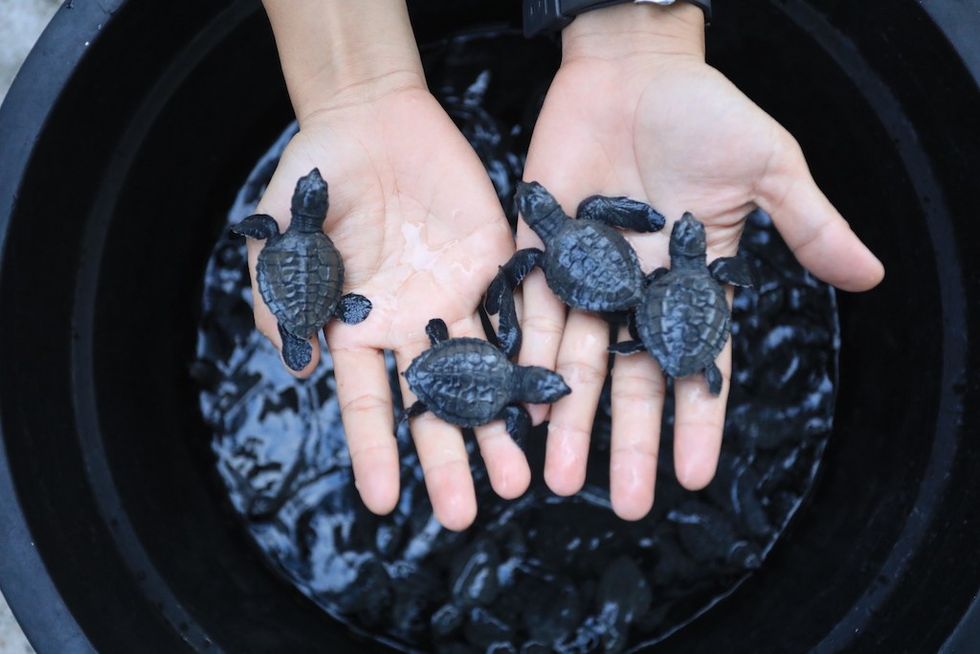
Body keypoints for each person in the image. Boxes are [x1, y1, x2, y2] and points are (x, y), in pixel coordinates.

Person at [248, 0, 884, 531]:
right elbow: (539, 269)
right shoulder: (571, 237)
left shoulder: (545, 256)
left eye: (534, 199)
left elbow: (520, 277)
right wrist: (349, 89)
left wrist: (636, 32)